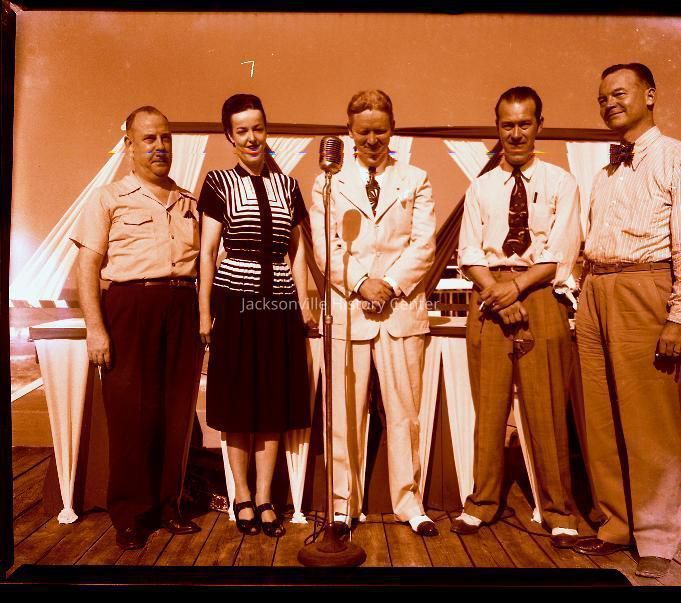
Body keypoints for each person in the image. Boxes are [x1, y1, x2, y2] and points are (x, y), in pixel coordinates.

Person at [452, 87, 582, 549]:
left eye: (525, 123)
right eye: (507, 125)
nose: (516, 133)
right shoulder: (481, 186)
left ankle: (559, 510)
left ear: (539, 125)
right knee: (489, 409)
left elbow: (560, 251)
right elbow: (469, 251)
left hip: (540, 295)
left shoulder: (562, 182)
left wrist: (516, 288)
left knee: (546, 408)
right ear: (498, 128)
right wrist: (498, 292)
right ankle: (482, 502)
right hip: (490, 296)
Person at [71, 106, 203, 550]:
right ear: (129, 146)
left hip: (182, 307)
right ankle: (130, 512)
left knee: (175, 410)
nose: (159, 147)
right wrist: (96, 328)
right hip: (130, 307)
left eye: (165, 138)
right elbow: (87, 265)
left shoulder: (189, 201)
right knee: (131, 412)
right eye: (149, 139)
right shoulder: (108, 198)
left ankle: (168, 504)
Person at [309, 89, 438, 536]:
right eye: (363, 131)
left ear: (392, 129)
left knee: (405, 413)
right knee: (343, 413)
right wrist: (362, 282)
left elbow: (424, 244)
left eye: (380, 130)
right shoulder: (328, 182)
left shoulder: (416, 178)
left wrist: (391, 285)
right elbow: (326, 246)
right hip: (349, 311)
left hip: (400, 311)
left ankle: (410, 504)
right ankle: (343, 505)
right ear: (349, 131)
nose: (371, 140)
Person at [573, 63, 681, 579]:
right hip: (596, 289)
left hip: (645, 287)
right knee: (601, 418)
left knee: (650, 422)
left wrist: (677, 317)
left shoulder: (674, 158)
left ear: (650, 95)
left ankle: (660, 536)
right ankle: (616, 525)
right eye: (602, 98)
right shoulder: (605, 172)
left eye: (619, 93)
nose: (609, 103)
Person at [197, 94, 314, 538]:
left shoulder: (289, 186)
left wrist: (304, 307)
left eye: (258, 128)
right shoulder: (218, 183)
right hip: (235, 305)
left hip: (278, 307)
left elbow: (296, 252)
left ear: (267, 131)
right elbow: (208, 252)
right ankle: (242, 496)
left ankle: (265, 498)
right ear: (230, 136)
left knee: (271, 404)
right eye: (242, 130)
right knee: (238, 404)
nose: (251, 138)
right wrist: (204, 313)